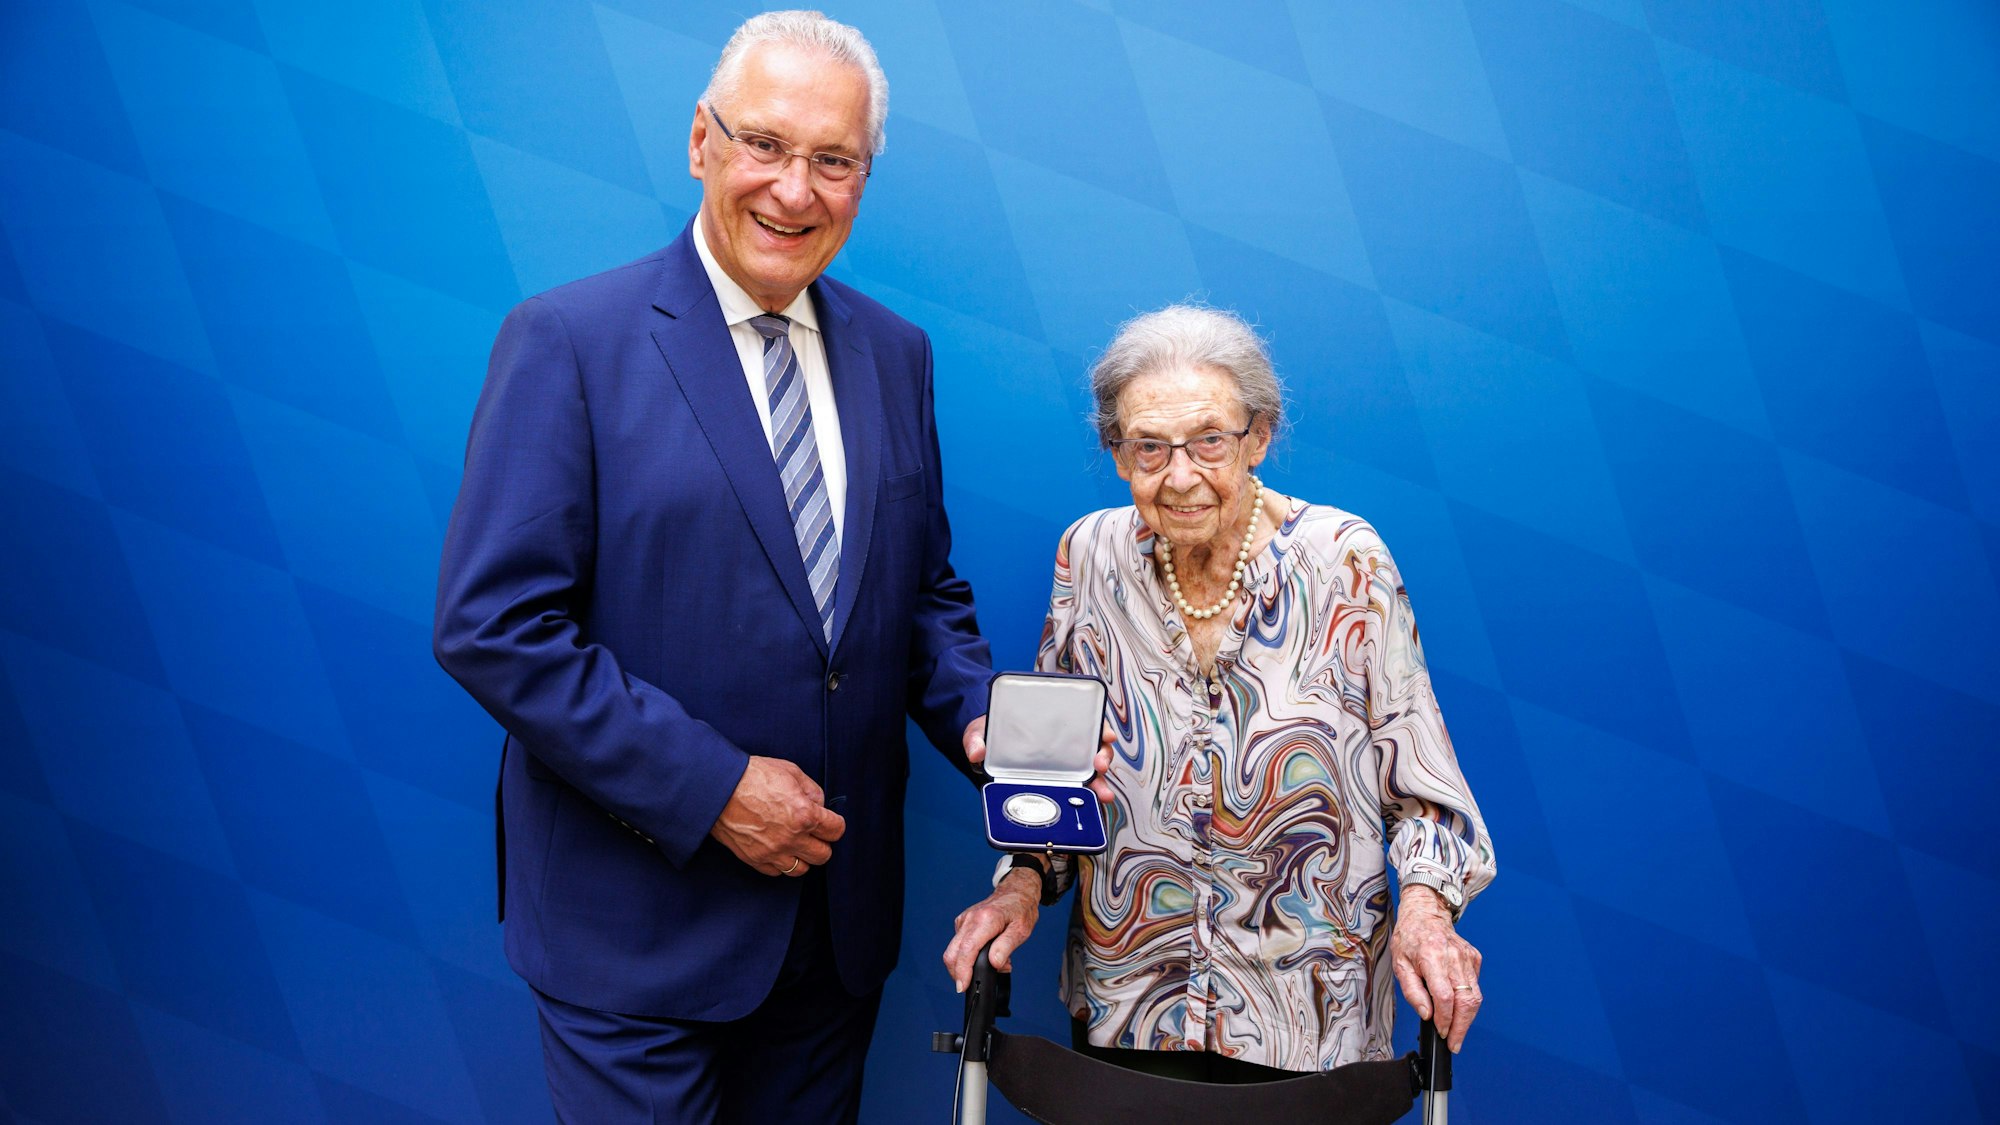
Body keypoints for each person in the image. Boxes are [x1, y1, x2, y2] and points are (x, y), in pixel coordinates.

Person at [434, 12, 998, 1122]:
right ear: (701, 140)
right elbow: (493, 627)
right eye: (765, 146)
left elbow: (917, 596)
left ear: (863, 177)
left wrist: (982, 722)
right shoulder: (569, 340)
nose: (794, 190)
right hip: (635, 931)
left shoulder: (894, 354)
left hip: (831, 939)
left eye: (832, 161)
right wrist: (713, 790)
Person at [945, 305, 1496, 1082]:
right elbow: (1059, 775)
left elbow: (1426, 792)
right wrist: (1023, 884)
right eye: (1149, 447)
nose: (1180, 475)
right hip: (1131, 1007)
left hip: (1310, 1016)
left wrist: (1427, 912)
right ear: (1116, 453)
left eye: (1209, 440)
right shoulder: (1090, 557)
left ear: (1259, 436)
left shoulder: (1346, 563)